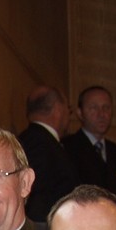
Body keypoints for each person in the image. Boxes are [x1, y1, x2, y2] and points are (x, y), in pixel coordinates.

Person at [17, 85, 79, 222]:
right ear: (58, 109)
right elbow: (33, 195)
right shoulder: (39, 143)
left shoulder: (30, 139)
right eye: (68, 108)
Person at [63, 85, 116, 196]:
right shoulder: (67, 148)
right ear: (80, 113)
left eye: (106, 108)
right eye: (93, 108)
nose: (101, 114)